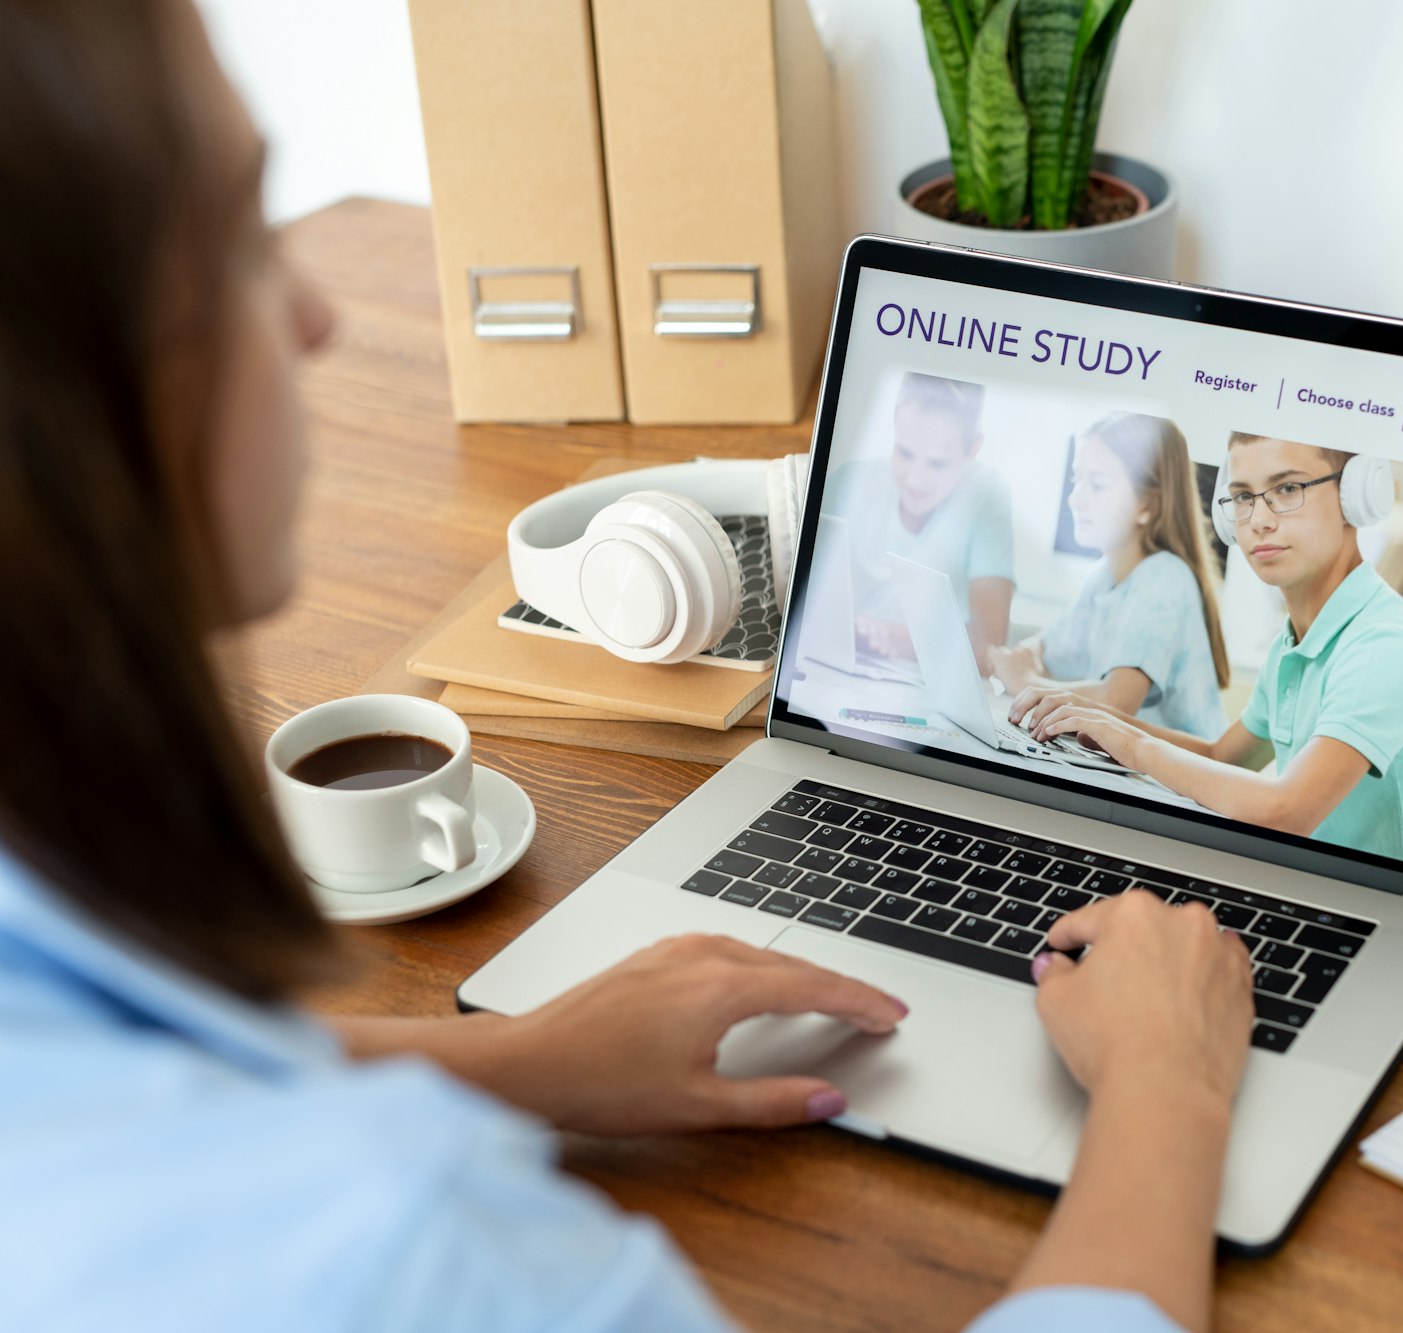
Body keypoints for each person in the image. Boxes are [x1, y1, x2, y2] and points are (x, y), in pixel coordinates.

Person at [0, 4, 1255, 1330]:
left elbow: (121, 1062)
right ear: (96, 385)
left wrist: (521, 1056)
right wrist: (1169, 1086)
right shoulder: (392, 1244)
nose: (314, 313)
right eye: (248, 236)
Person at [1015, 432, 1403, 876]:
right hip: (1323, 889)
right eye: (1242, 496)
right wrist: (1100, 719)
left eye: (1288, 488)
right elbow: (1223, 756)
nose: (1258, 519)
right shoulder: (1294, 642)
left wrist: (1134, 747)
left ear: (1356, 495)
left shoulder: (1386, 646)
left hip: (1400, 916)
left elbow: (1287, 812)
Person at [990, 413, 1229, 740]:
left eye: (1098, 484)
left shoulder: (1166, 579)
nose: (1075, 499)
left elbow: (1117, 701)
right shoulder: (1103, 577)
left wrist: (1024, 681)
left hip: (1170, 786)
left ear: (1147, 504)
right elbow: (1045, 651)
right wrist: (1021, 661)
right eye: (1077, 480)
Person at [822, 371, 1015, 672]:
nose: (914, 479)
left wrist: (883, 635)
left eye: (937, 464)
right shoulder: (850, 482)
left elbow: (989, 648)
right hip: (837, 670)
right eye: (904, 452)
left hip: (922, 683)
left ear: (973, 450)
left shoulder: (986, 498)